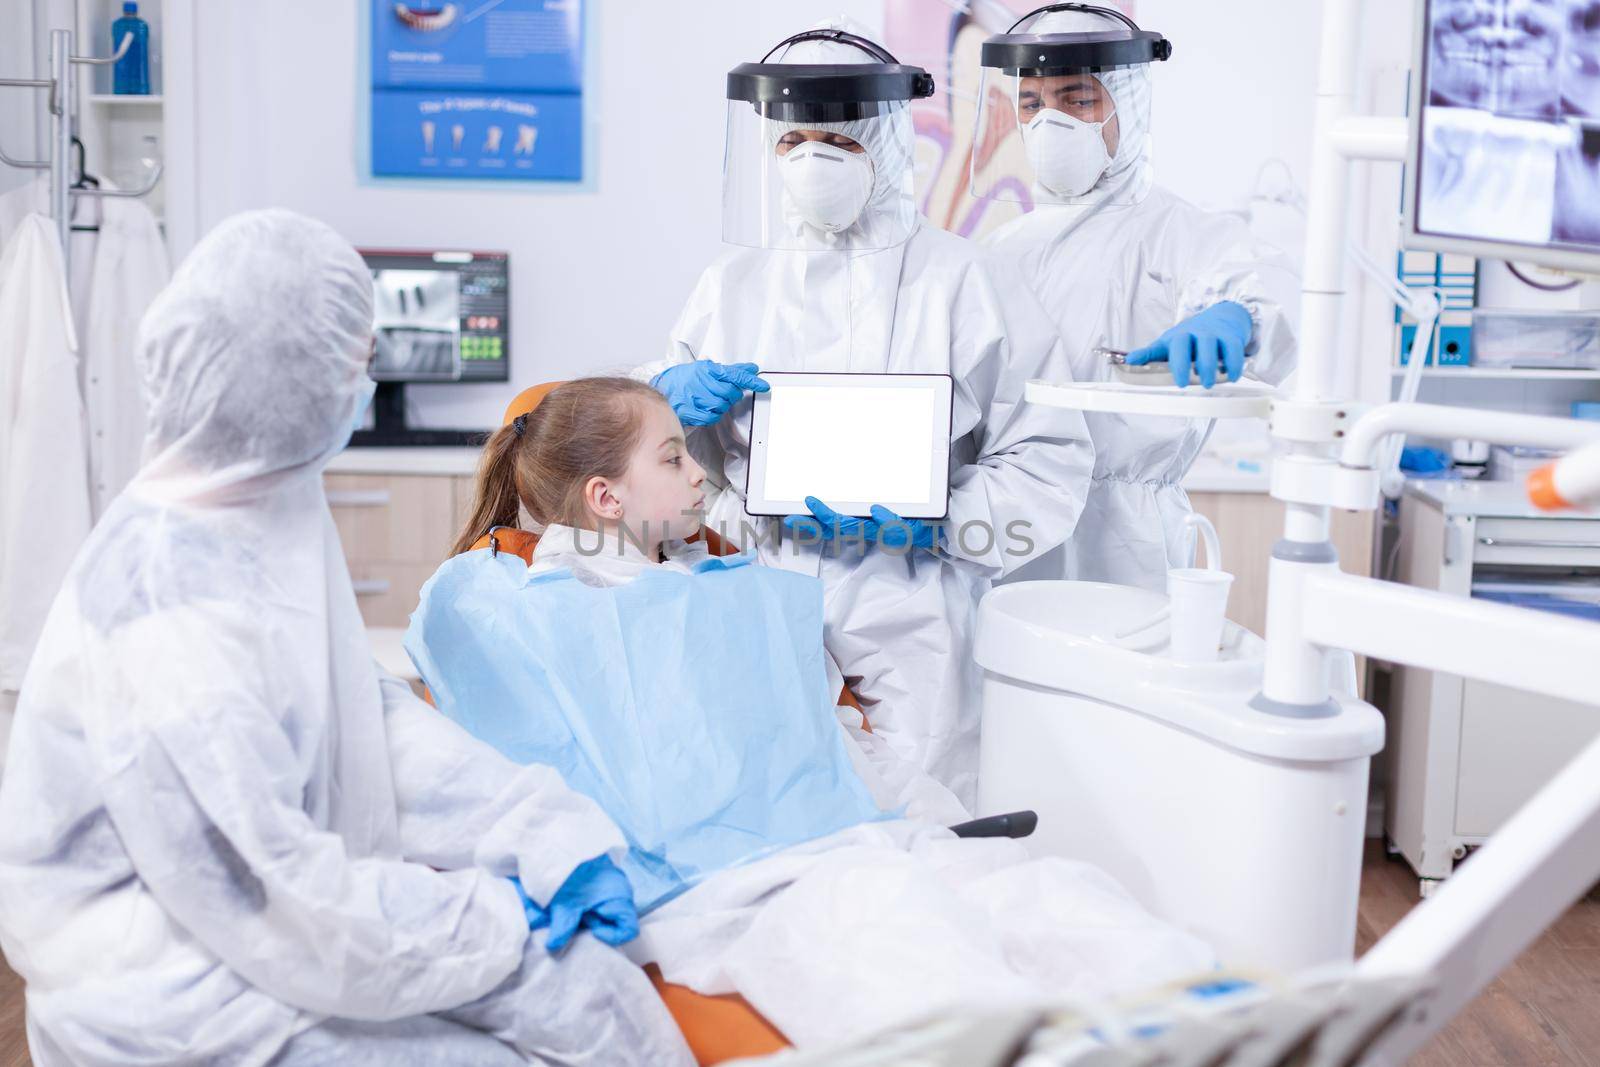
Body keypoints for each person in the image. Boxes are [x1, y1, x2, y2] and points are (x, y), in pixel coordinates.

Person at [0, 210, 693, 1067]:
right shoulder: (164, 610)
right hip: (173, 994)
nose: (370, 377)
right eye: (359, 357)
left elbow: (359, 717)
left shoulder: (259, 501)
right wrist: (500, 918)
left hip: (286, 927)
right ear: (286, 383)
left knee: (595, 992)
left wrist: (546, 832)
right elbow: (277, 899)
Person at [409, 376, 1215, 1049]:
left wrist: (907, 808)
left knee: (1052, 899)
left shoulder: (724, 583)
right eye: (674, 455)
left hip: (860, 835)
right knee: (917, 951)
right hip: (735, 885)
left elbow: (821, 732)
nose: (699, 475)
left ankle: (1229, 1020)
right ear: (604, 495)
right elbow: (500, 757)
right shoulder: (514, 599)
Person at [639, 21, 1095, 808]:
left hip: (912, 602)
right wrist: (661, 404)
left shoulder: (964, 282)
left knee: (919, 823)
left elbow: (1051, 458)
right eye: (793, 141)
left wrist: (946, 523)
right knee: (765, 813)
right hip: (756, 582)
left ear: (883, 142)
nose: (811, 159)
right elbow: (654, 457)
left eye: (836, 140)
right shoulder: (732, 284)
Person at [973, 4, 1301, 590]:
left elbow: (1262, 280)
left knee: (1125, 671)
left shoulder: (1176, 231)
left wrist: (1236, 315)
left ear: (1129, 104)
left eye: (1078, 100)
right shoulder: (996, 252)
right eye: (1032, 103)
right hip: (1010, 532)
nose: (1050, 122)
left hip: (1127, 542)